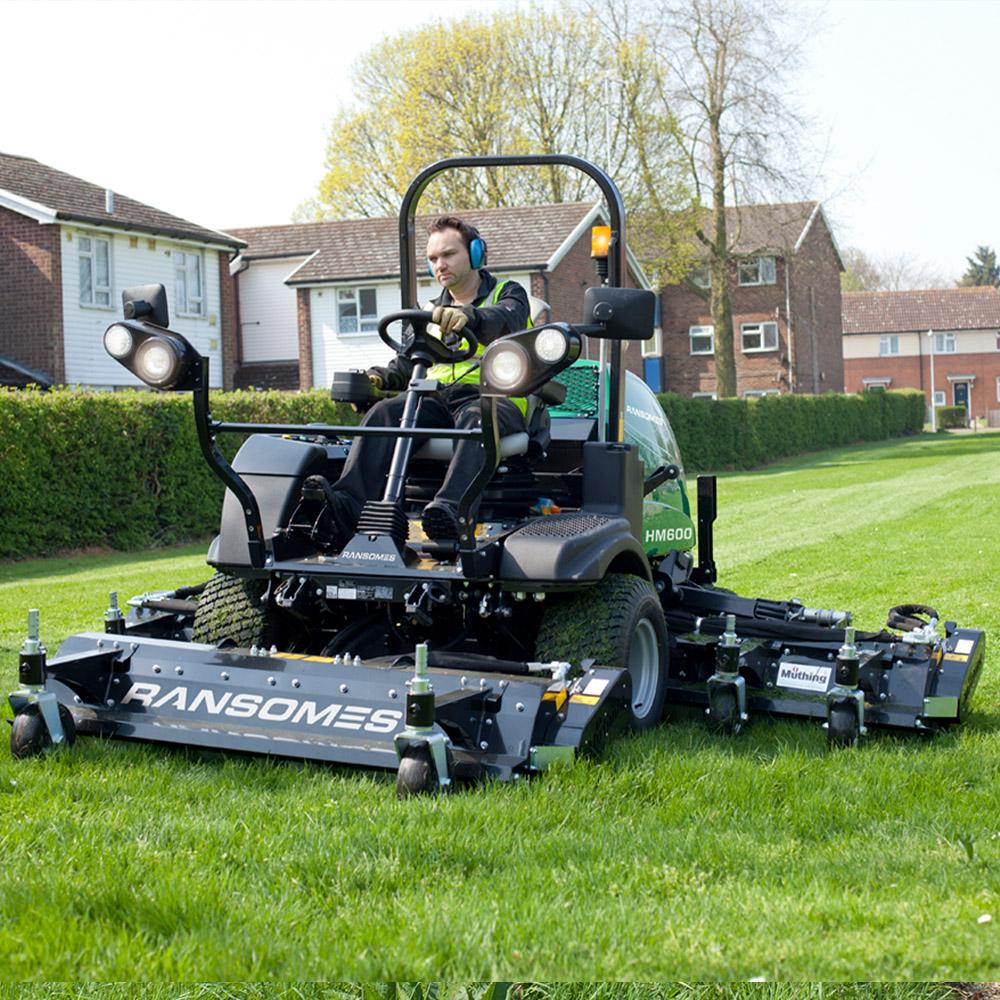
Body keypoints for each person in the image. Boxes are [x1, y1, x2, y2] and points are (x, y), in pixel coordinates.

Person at [327, 216, 531, 542]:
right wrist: (377, 378)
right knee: (384, 413)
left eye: (448, 255)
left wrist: (470, 317)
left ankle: (451, 511)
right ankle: (347, 504)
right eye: (433, 258)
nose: (440, 264)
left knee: (479, 417)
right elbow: (408, 363)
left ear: (477, 255)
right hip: (438, 400)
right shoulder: (428, 310)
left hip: (497, 398)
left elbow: (505, 321)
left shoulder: (509, 295)